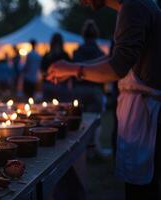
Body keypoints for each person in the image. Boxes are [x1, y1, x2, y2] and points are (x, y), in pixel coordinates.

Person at [47, 0, 161, 199]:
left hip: (147, 115)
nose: (80, 2)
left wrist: (73, 69)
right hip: (140, 110)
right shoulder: (134, 7)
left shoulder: (134, 7)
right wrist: (72, 68)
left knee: (143, 191)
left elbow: (117, 67)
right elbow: (113, 59)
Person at [72, 19, 105, 112]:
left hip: (80, 88)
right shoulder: (100, 54)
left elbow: (73, 72)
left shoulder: (77, 52)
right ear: (96, 34)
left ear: (83, 35)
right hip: (95, 89)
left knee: (79, 119)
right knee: (94, 121)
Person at [41, 33, 71, 101]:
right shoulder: (65, 55)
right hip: (61, 86)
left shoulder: (47, 55)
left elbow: (42, 71)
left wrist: (50, 75)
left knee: (47, 109)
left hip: (49, 85)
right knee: (62, 108)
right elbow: (71, 71)